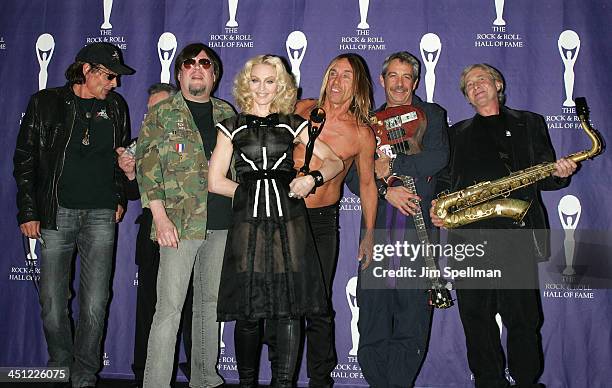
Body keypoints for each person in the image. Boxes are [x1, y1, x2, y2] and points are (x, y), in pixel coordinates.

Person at [430, 63, 577, 388]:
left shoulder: (530, 123)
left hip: (516, 236)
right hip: (469, 238)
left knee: (523, 319)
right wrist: (439, 204)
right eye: (469, 85)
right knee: (476, 320)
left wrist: (560, 172)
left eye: (481, 80)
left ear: (498, 84)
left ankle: (527, 382)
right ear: (466, 97)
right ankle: (488, 382)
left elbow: (546, 178)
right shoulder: (455, 134)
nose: (476, 86)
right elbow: (443, 180)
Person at [208, 54, 344, 387]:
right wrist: (249, 194)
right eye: (256, 80)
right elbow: (214, 181)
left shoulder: (291, 124)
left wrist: (311, 178)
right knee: (249, 308)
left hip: (289, 223)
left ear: (280, 85)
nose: (262, 88)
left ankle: (283, 383)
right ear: (246, 83)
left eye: (270, 81)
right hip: (248, 224)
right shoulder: (231, 126)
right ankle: (247, 382)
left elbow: (335, 162)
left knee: (288, 307)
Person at [13, 42, 134, 387]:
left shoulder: (116, 107)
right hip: (56, 212)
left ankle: (83, 375)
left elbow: (118, 158)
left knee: (96, 303)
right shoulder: (45, 103)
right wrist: (28, 209)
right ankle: (60, 365)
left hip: (100, 214)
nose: (115, 83)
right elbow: (25, 162)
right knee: (52, 302)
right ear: (87, 70)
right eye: (110, 76)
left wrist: (119, 196)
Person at [345, 51, 449, 387]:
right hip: (376, 234)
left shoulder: (431, 115)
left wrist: (394, 167)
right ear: (382, 79)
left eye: (407, 77)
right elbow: (351, 176)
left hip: (417, 239)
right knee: (372, 319)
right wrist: (385, 189)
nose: (400, 83)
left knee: (412, 320)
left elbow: (438, 158)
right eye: (393, 76)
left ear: (415, 82)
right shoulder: (365, 121)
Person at [135, 43, 235, 388]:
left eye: (204, 64)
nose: (197, 68)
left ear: (214, 74)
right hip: (179, 223)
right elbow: (146, 168)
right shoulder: (163, 112)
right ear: (179, 73)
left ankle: (205, 378)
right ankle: (156, 383)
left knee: (208, 305)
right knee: (169, 309)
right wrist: (160, 219)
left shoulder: (227, 113)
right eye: (189, 63)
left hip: (222, 222)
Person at [274, 53, 377, 388]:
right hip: (283, 214)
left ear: (358, 84)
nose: (337, 80)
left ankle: (321, 379)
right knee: (280, 299)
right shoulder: (302, 109)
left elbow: (366, 185)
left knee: (317, 303)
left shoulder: (361, 133)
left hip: (321, 221)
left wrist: (370, 233)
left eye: (346, 75)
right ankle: (281, 377)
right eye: (333, 72)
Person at [117, 83, 195, 387]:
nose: (153, 113)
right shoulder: (139, 143)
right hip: (151, 236)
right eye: (150, 109)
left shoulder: (194, 138)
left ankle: (195, 372)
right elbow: (133, 192)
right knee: (149, 308)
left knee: (190, 306)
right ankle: (144, 374)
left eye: (159, 107)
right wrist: (129, 174)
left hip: (191, 232)